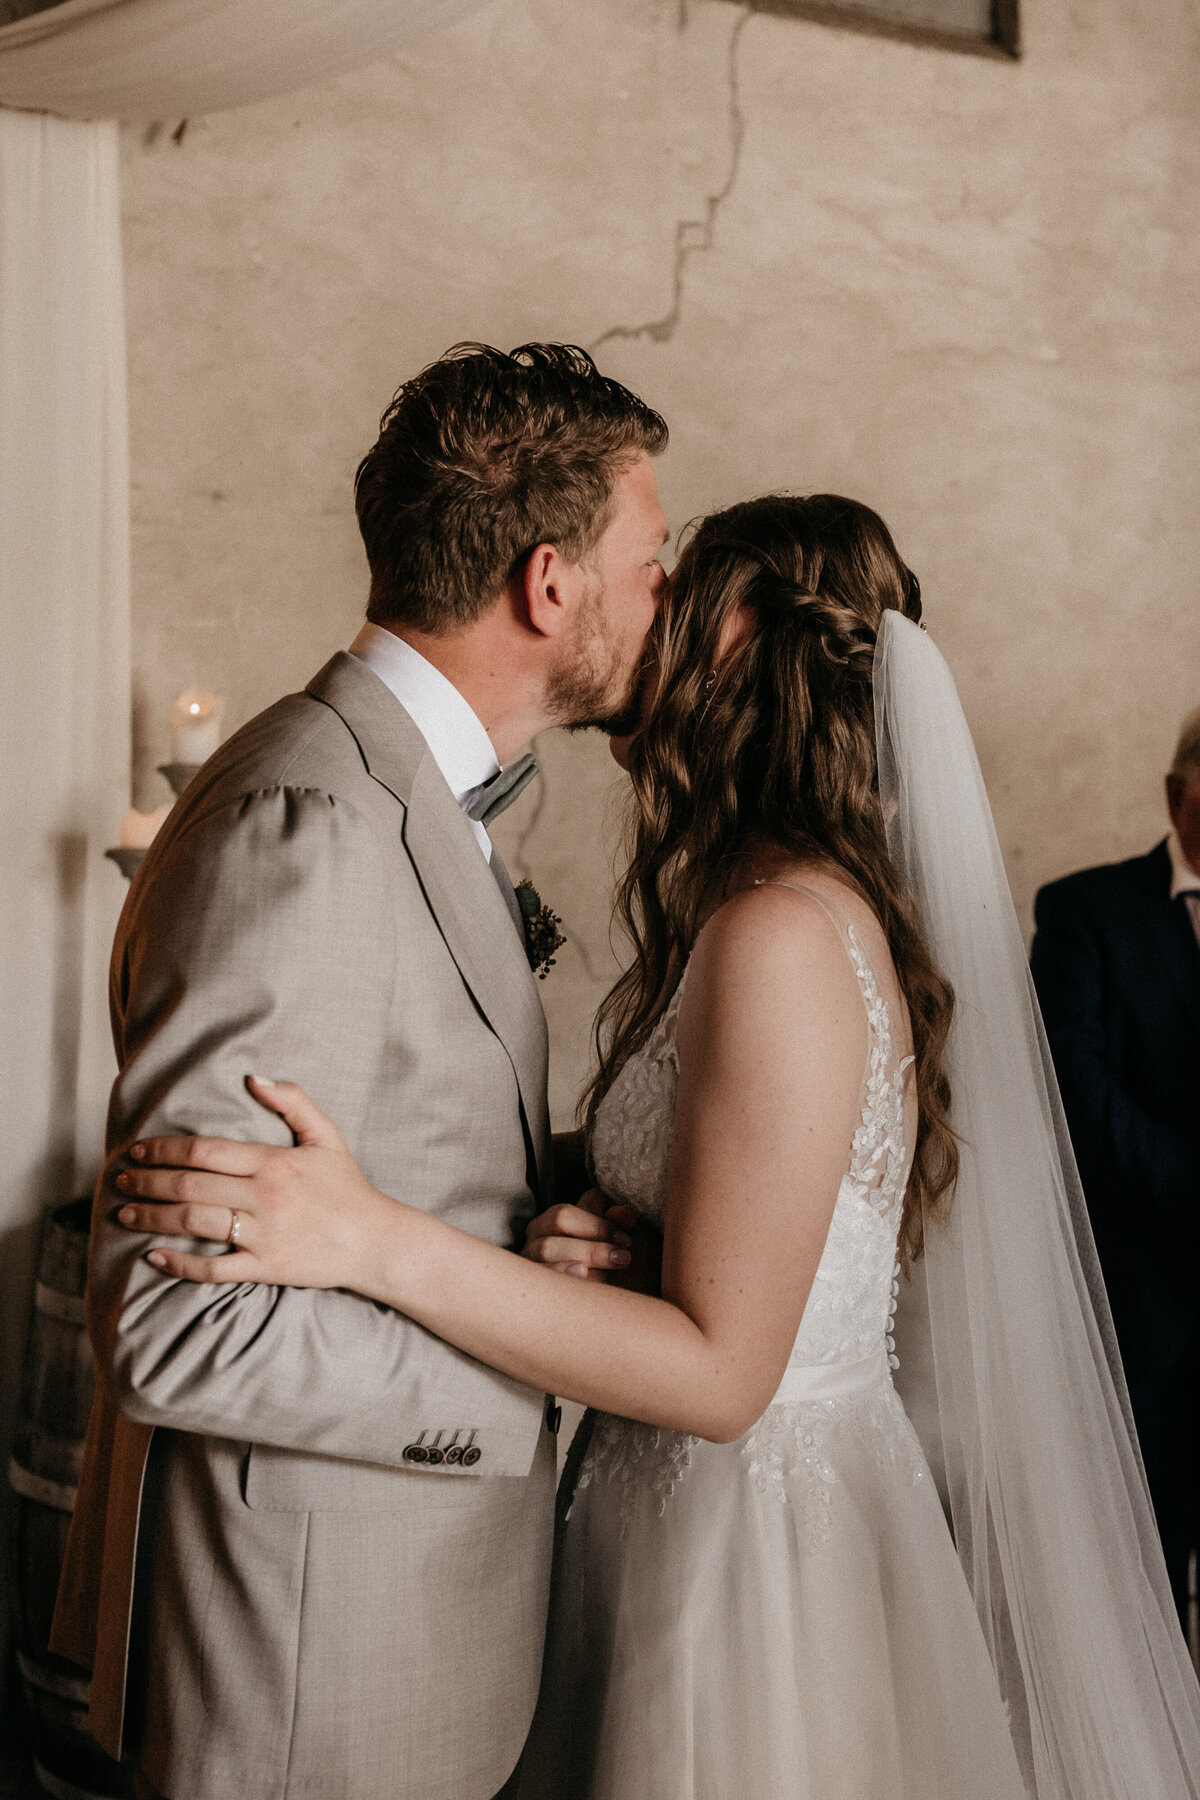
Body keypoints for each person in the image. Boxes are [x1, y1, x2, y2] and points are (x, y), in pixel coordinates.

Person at [114, 496, 1200, 1798]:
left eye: (681, 601)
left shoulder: (781, 933)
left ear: (746, 645)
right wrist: (606, 1237)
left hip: (746, 1563)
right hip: (672, 1513)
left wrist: (369, 1233)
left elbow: (724, 1375)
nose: (652, 632)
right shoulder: (758, 903)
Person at [50, 342, 670, 1800]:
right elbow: (178, 1327)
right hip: (304, 1677)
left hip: (393, 1648)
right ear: (549, 582)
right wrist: (528, 1375)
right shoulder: (305, 823)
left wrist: (571, 1208)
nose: (666, 596)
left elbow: (412, 1153)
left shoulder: (399, 790)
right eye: (652, 559)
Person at [1030, 704, 1200, 1625]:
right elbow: (1078, 1096)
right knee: (1149, 1581)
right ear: (1178, 794)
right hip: (1148, 1314)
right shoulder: (1086, 913)